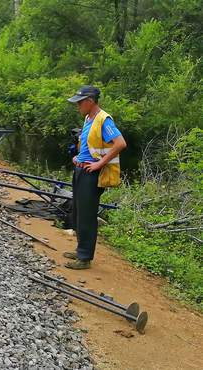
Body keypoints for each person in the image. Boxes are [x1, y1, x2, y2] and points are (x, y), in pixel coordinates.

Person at [65, 86, 126, 270]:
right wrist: (78, 156)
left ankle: (84, 258)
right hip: (81, 169)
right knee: (78, 211)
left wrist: (99, 164)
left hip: (92, 174)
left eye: (80, 103)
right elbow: (88, 144)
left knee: (87, 215)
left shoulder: (103, 120)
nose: (78, 106)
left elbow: (120, 143)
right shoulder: (88, 118)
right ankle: (80, 250)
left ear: (90, 101)